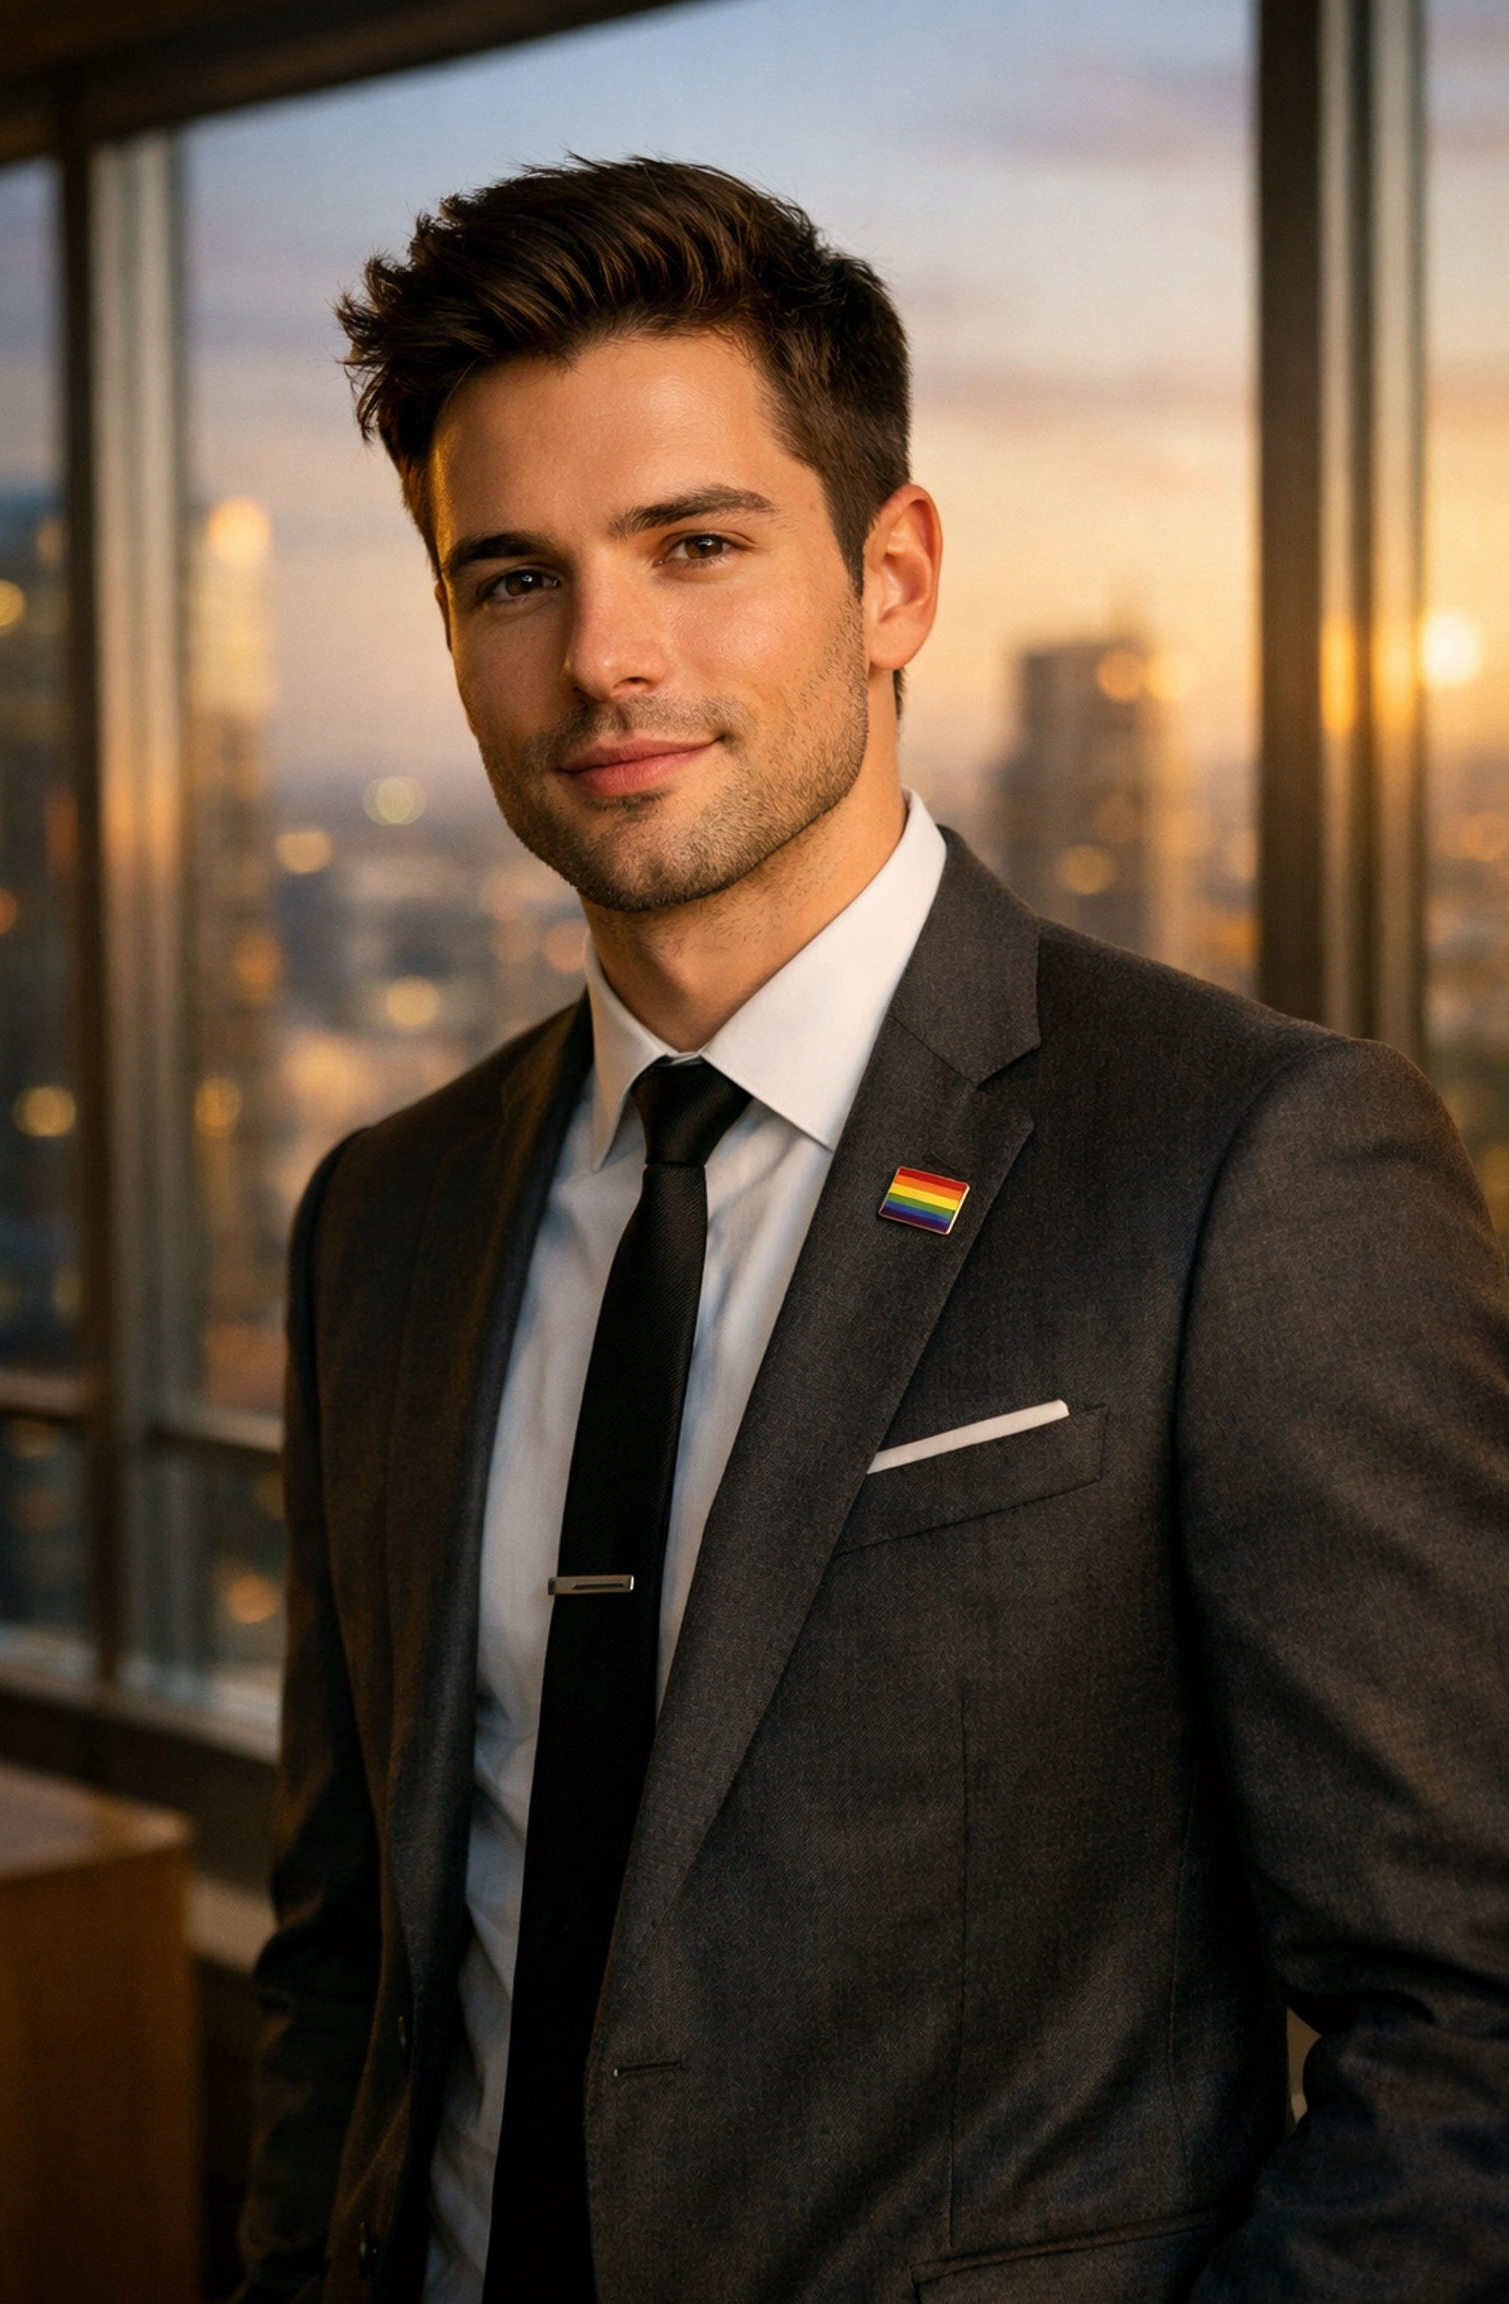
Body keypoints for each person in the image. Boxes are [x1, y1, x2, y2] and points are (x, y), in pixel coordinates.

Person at [235, 159, 1509, 2304]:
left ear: (894, 574)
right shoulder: (385, 1216)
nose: (605, 660)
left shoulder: (1248, 1164)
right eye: (512, 578)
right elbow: (344, 1956)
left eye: (699, 546)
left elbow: (1469, 2019)